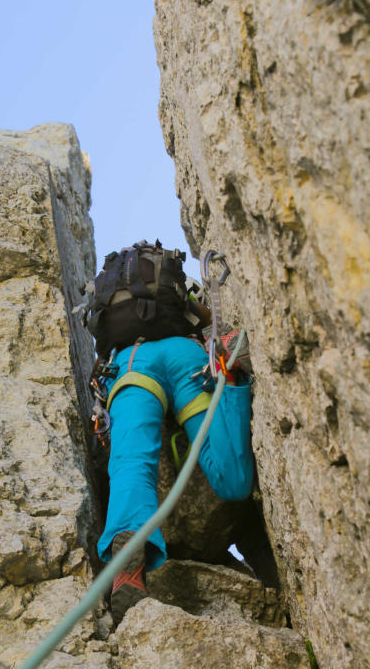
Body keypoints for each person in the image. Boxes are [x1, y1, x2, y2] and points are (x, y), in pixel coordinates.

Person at [83, 241, 254, 624]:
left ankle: (128, 567)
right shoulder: (181, 287)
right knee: (233, 481)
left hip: (131, 364)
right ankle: (231, 374)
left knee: (132, 462)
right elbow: (207, 318)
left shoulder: (110, 302)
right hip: (188, 357)